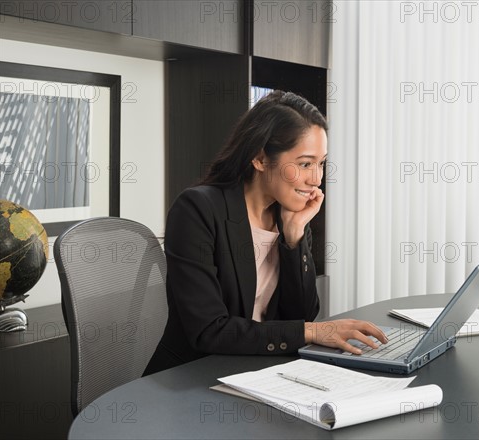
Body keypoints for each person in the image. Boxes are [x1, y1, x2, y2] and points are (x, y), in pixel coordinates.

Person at [144, 91, 387, 375]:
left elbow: (301, 317)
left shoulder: (288, 215)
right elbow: (209, 331)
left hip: (259, 372)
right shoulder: (198, 210)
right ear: (260, 159)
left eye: (321, 163)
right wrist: (312, 332)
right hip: (192, 378)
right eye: (305, 164)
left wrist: (294, 238)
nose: (316, 179)